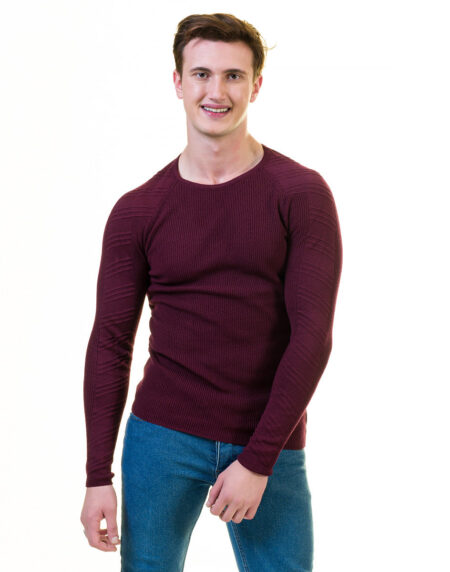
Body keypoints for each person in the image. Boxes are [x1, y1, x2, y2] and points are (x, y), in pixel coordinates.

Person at [80, 12, 343, 572]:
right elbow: (110, 343)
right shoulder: (138, 211)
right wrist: (97, 475)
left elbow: (312, 337)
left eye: (233, 76)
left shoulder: (300, 194)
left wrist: (259, 459)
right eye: (201, 74)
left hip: (269, 438)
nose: (216, 91)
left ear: (256, 85)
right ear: (178, 82)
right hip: (161, 439)